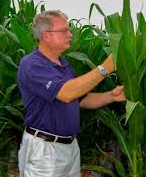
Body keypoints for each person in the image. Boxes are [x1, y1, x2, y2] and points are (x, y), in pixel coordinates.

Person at [17, 10, 126, 177]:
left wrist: (111, 96)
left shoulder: (63, 64)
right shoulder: (32, 65)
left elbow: (80, 99)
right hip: (44, 150)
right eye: (64, 31)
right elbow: (66, 94)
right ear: (46, 35)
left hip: (70, 147)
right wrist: (105, 69)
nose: (70, 35)